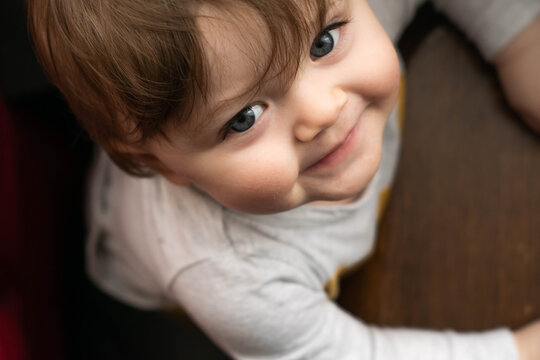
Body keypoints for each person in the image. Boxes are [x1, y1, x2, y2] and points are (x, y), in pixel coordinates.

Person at [28, 0, 540, 358]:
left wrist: (518, 40)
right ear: (166, 167)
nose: (323, 110)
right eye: (246, 117)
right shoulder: (231, 280)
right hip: (148, 309)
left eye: (325, 42)